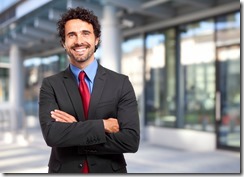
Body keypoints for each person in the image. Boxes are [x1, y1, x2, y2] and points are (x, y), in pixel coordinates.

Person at [38, 6, 140, 173]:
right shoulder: (51, 85)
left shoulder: (120, 83)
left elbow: (130, 141)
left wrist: (74, 130)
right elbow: (52, 135)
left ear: (96, 39)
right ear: (64, 42)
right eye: (71, 35)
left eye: (85, 33)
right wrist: (102, 125)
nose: (79, 41)